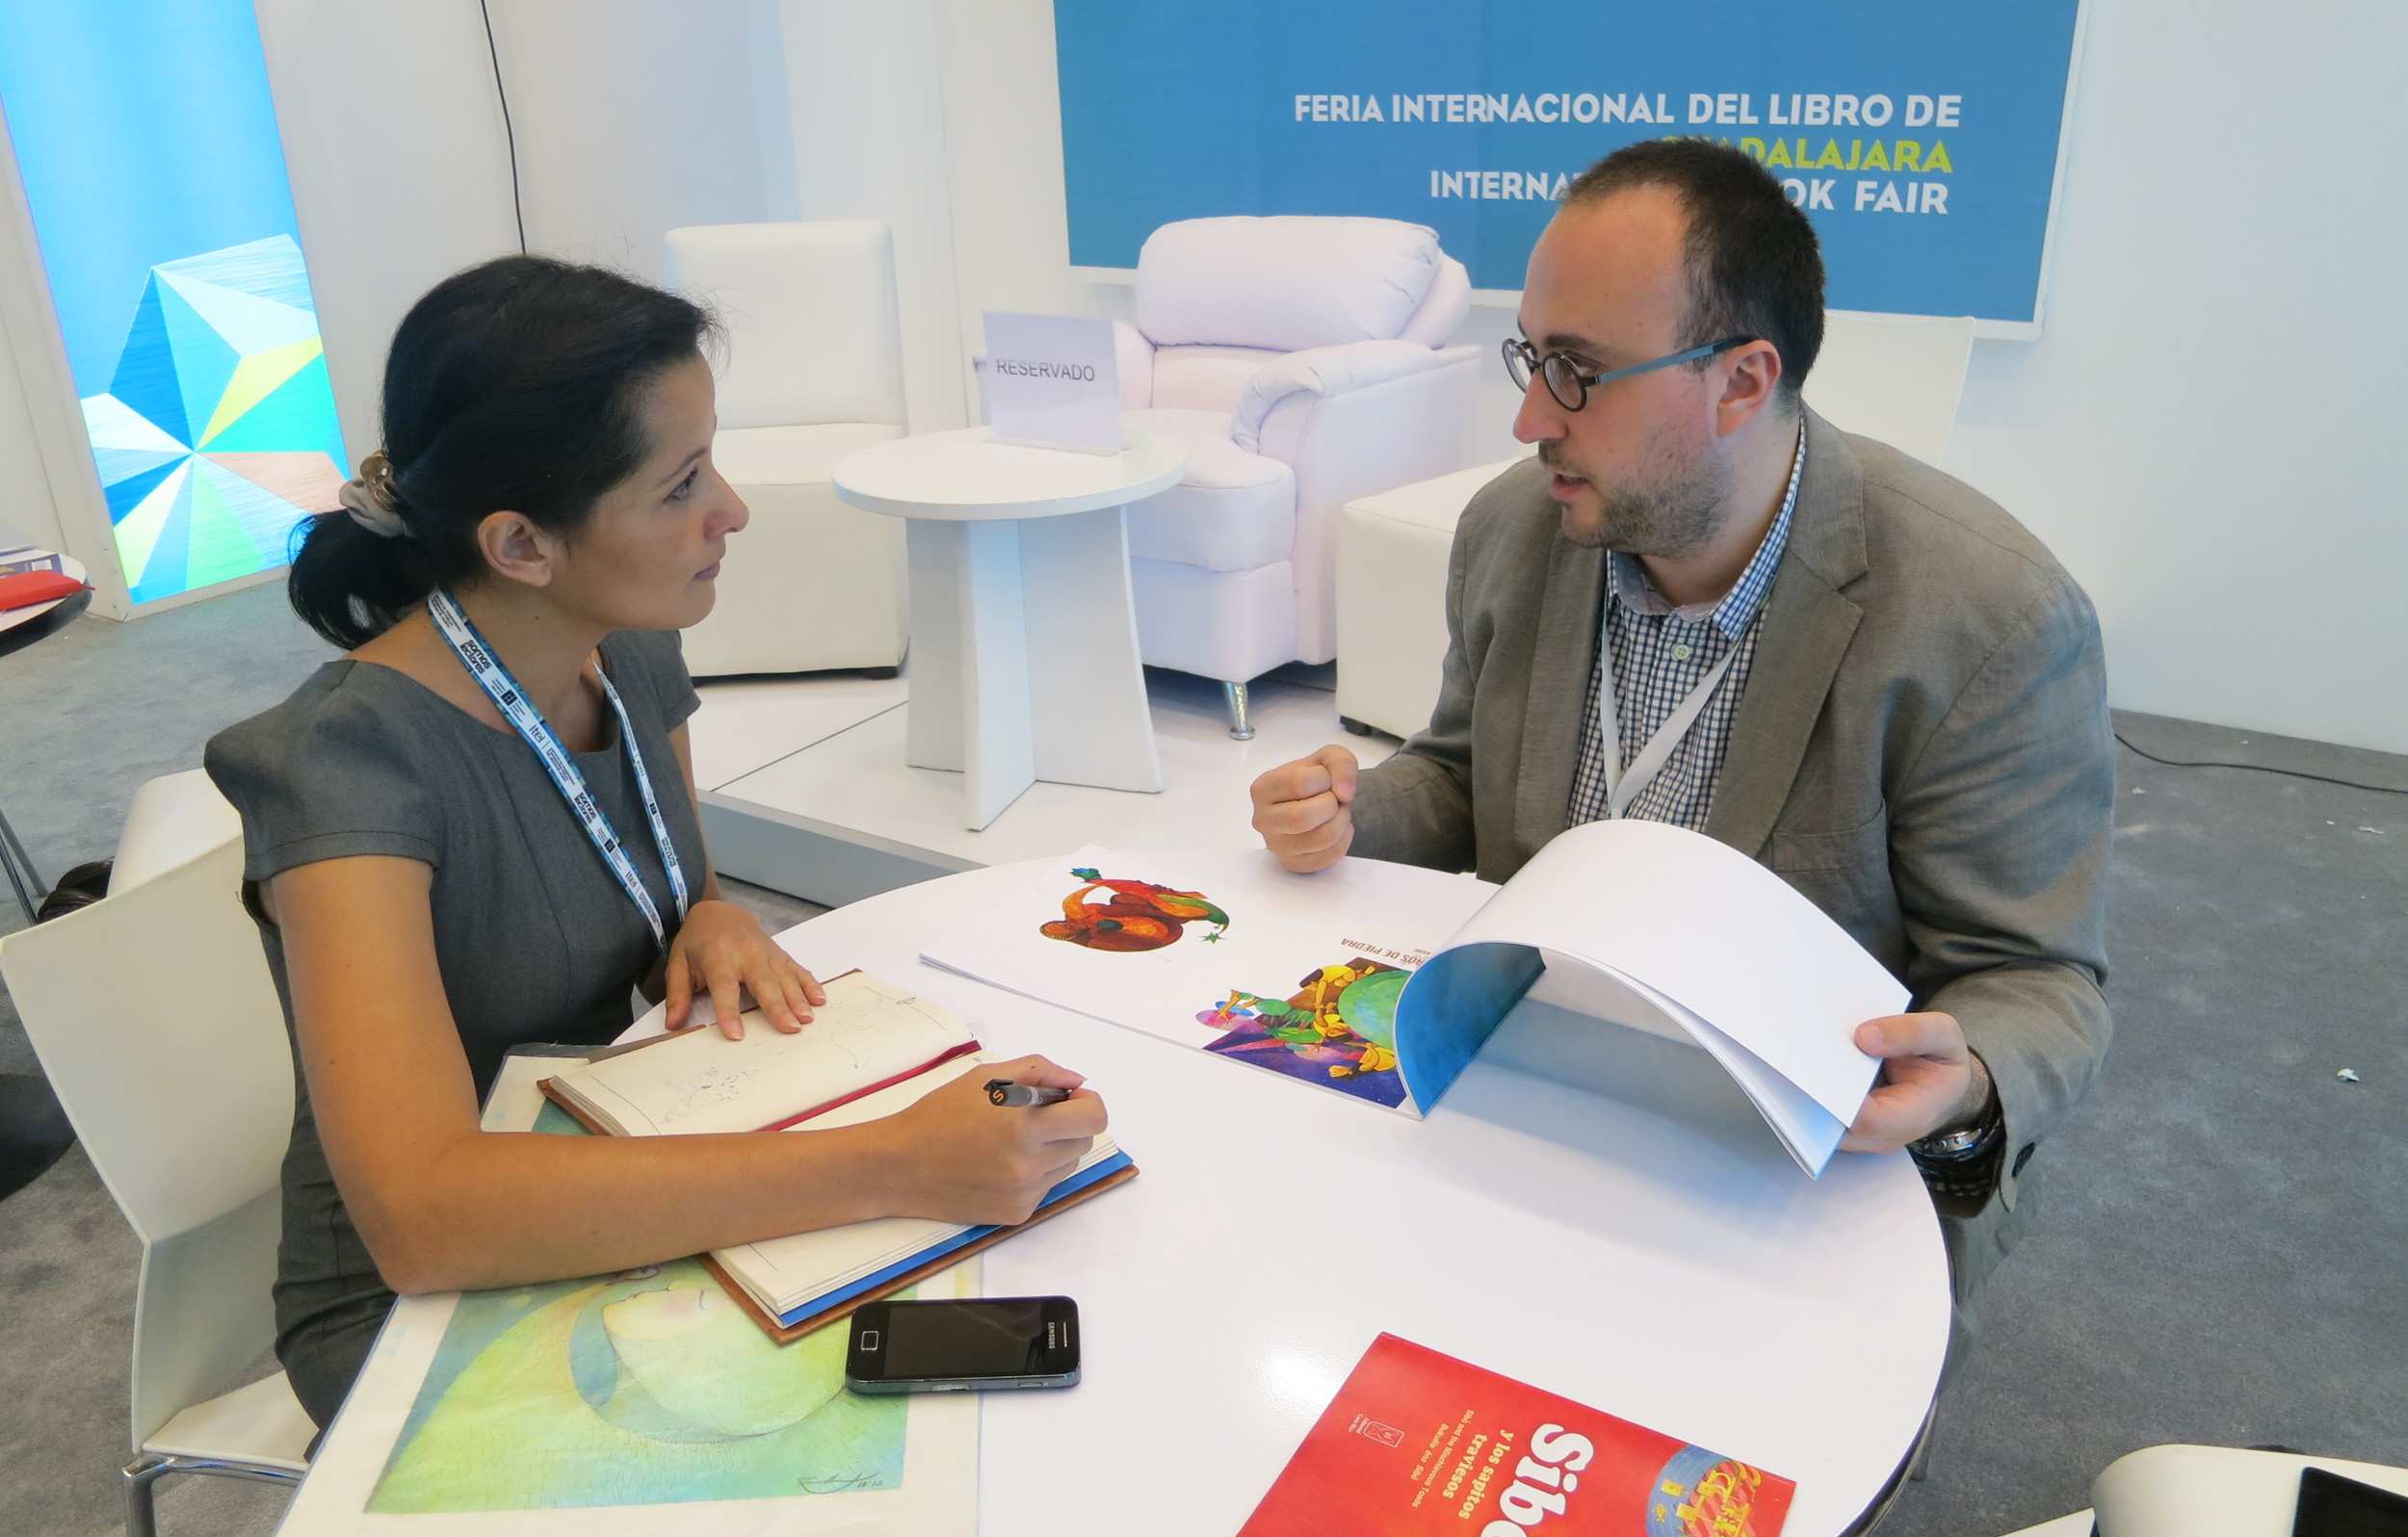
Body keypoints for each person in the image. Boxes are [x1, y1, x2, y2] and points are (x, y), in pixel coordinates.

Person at [206, 257, 1107, 1430]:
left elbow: (666, 887)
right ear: (522, 544)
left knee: (991, 1353)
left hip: (647, 1139)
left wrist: (711, 913)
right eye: (681, 484)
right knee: (881, 1432)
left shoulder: (624, 645)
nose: (730, 509)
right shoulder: (343, 769)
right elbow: (425, 1216)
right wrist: (890, 1160)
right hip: (423, 1293)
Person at [1249, 141, 2112, 1317]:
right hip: (1532, 1075)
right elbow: (1459, 773)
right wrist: (1354, 810)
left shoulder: (1989, 619)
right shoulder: (1518, 532)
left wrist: (1964, 1085)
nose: (1524, 420)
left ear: (1742, 382)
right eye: (1529, 358)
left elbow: (2037, 978)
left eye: (1576, 371)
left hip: (1784, 1162)